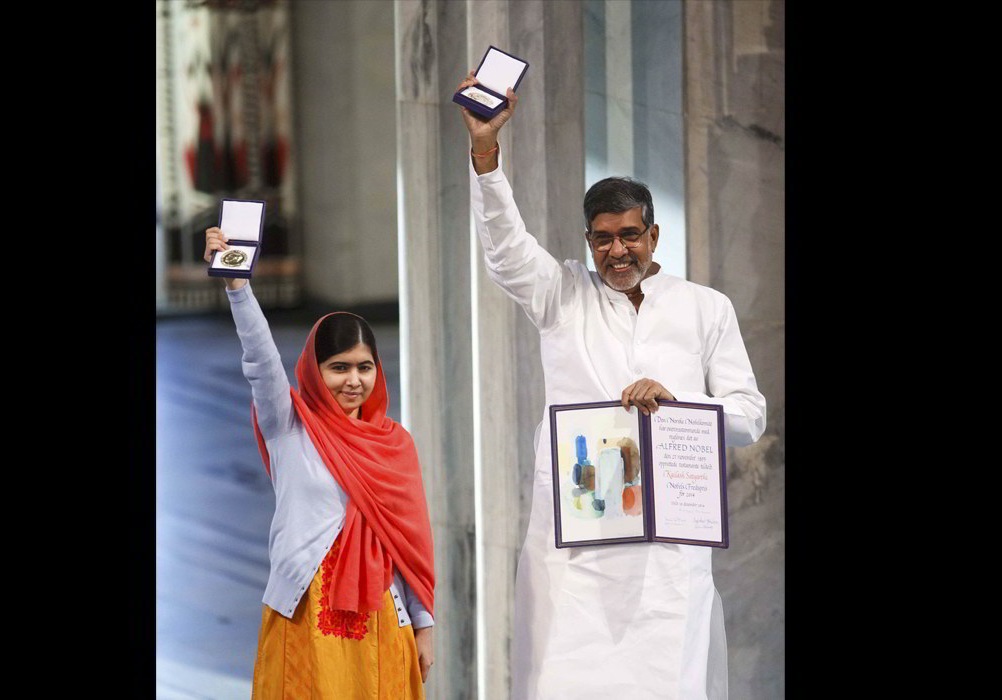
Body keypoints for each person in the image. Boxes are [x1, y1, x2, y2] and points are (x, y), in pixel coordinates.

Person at [455, 71, 766, 700]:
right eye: (603, 239)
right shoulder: (562, 295)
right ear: (588, 242)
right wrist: (486, 155)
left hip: (670, 545)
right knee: (567, 678)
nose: (617, 251)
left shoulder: (706, 307)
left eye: (630, 235)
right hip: (578, 541)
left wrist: (681, 405)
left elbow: (748, 417)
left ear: (654, 236)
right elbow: (506, 250)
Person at [204, 228, 436, 699]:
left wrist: (425, 625)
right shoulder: (289, 424)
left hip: (380, 620)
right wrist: (237, 286)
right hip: (305, 614)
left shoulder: (394, 446)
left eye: (363, 367)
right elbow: (260, 358)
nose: (353, 381)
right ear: (314, 369)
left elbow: (408, 548)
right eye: (339, 367)